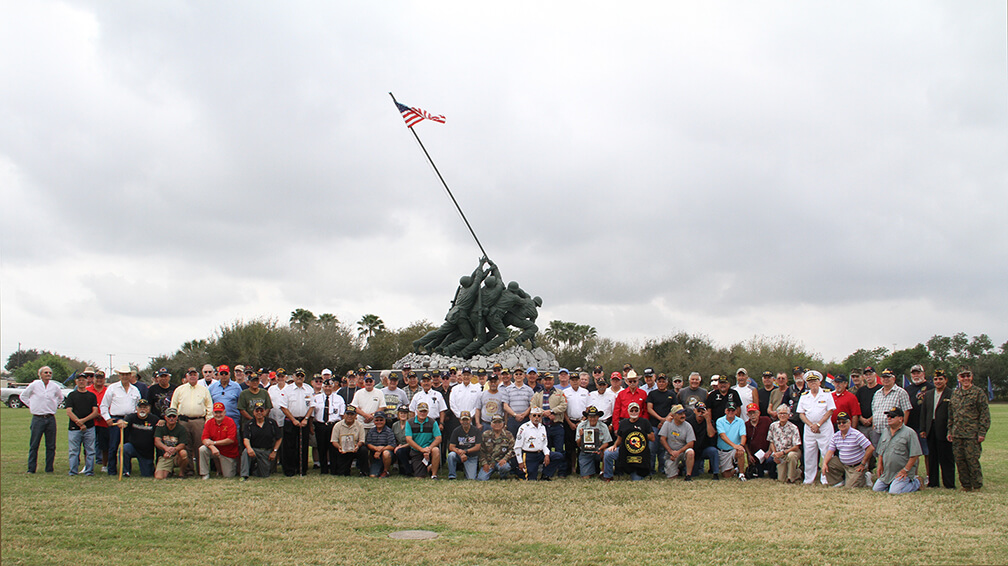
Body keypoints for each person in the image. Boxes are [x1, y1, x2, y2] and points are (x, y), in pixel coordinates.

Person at [948, 367, 990, 492]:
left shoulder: (978, 393)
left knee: (972, 460)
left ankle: (976, 485)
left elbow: (984, 414)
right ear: (958, 378)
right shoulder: (955, 393)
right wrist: (950, 431)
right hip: (957, 433)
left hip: (972, 434)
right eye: (963, 376)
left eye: (968, 376)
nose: (965, 378)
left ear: (971, 377)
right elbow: (951, 414)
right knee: (960, 460)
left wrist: (982, 432)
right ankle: (965, 485)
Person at [22, 365, 66, 474]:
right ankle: (31, 469)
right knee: (34, 444)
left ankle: (49, 468)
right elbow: (23, 396)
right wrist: (32, 406)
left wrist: (53, 405)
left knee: (51, 445)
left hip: (50, 418)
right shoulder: (34, 385)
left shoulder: (54, 386)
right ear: (40, 374)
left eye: (50, 373)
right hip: (38, 418)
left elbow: (60, 398)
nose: (48, 374)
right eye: (46, 372)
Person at [169, 367, 214, 472]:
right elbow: (173, 406)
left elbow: (209, 407)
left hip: (199, 421)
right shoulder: (179, 390)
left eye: (194, 375)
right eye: (190, 375)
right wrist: (174, 421)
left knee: (199, 446)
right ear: (187, 377)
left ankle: (201, 470)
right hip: (183, 421)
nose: (192, 377)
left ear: (198, 377)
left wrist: (207, 422)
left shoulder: (204, 390)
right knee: (185, 446)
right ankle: (188, 470)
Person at [100, 365, 143, 476]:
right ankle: (112, 471)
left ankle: (126, 470)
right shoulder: (112, 388)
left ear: (130, 375)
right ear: (119, 375)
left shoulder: (135, 390)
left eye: (127, 374)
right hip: (116, 420)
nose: (125, 376)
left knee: (127, 447)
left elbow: (138, 407)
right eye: (122, 374)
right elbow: (103, 406)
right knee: (113, 446)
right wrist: (108, 419)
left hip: (130, 420)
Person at [797, 370, 835, 484]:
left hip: (824, 428)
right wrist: (811, 425)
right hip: (809, 429)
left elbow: (830, 411)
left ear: (819, 382)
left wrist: (818, 424)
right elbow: (801, 413)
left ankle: (826, 478)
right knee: (809, 454)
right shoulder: (804, 396)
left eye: (815, 381)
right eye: (810, 382)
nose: (813, 383)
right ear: (807, 384)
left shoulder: (827, 394)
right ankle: (808, 479)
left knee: (826, 453)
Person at [873, 408, 922, 494]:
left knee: (895, 492)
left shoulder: (910, 433)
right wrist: (880, 465)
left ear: (900, 419)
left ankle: (916, 483)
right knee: (876, 489)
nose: (889, 418)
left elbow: (915, 455)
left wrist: (905, 470)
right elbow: (881, 451)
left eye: (892, 416)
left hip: (902, 473)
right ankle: (893, 484)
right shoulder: (885, 431)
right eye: (888, 416)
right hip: (887, 473)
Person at [920, 369, 955, 488]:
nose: (938, 381)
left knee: (946, 457)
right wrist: (923, 429)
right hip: (931, 429)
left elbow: (953, 414)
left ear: (946, 380)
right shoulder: (929, 394)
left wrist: (951, 430)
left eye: (941, 379)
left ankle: (949, 483)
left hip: (944, 429)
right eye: (936, 379)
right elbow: (924, 413)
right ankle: (933, 482)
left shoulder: (951, 394)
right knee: (932, 457)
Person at [821, 412, 874, 488]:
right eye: (839, 423)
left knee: (850, 487)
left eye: (844, 422)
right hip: (843, 464)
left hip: (856, 465)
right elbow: (830, 451)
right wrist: (824, 464)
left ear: (849, 422)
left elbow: (870, 448)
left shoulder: (856, 434)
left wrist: (863, 464)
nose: (841, 424)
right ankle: (838, 482)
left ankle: (865, 476)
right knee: (829, 462)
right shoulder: (836, 436)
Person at [603, 402, 654, 481]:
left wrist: (640, 433)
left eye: (636, 410)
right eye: (632, 410)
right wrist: (615, 446)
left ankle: (637, 472)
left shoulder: (645, 422)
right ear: (628, 411)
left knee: (636, 480)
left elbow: (652, 438)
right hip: (625, 451)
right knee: (608, 453)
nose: (634, 412)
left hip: (639, 453)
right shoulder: (623, 423)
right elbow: (619, 438)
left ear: (639, 411)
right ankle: (608, 476)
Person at [531, 371, 568, 475]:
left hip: (556, 426)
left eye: (549, 380)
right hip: (543, 427)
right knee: (545, 450)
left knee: (560, 449)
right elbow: (533, 406)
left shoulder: (559, 393)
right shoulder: (538, 394)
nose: (547, 382)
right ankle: (548, 471)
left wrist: (552, 411)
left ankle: (561, 472)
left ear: (553, 381)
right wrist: (544, 413)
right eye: (546, 380)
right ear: (543, 381)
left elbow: (564, 405)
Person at [279, 368, 315, 476]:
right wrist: (293, 420)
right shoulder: (287, 389)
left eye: (302, 376)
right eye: (297, 375)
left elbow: (312, 406)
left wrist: (306, 419)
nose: (299, 378)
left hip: (303, 421)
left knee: (303, 446)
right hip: (291, 421)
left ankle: (302, 470)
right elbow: (283, 407)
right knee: (289, 446)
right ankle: (289, 470)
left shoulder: (309, 389)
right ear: (293, 377)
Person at [65, 371, 99, 476]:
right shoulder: (71, 395)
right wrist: (79, 423)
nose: (81, 382)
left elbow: (95, 412)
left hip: (89, 427)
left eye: (83, 380)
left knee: (90, 451)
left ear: (86, 381)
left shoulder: (92, 396)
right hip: (74, 428)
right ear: (76, 382)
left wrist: (83, 421)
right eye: (79, 380)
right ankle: (73, 471)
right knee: (74, 451)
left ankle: (89, 471)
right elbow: (69, 411)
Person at [515, 407, 560, 481]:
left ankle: (545, 475)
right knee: (531, 479)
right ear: (530, 417)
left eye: (539, 416)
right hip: (529, 456)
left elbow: (544, 444)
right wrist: (520, 462)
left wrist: (547, 455)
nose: (536, 418)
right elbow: (517, 447)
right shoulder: (523, 428)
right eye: (534, 415)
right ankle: (521, 472)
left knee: (557, 456)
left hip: (540, 454)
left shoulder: (542, 427)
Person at [870, 370, 912, 447]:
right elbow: (874, 411)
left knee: (892, 454)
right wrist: (873, 426)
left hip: (892, 431)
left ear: (893, 378)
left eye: (888, 377)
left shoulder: (901, 392)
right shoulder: (877, 393)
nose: (886, 379)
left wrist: (901, 429)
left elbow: (906, 411)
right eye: (884, 377)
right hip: (877, 431)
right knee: (878, 454)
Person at [241, 401, 282, 479]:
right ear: (253, 412)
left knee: (264, 475)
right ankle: (244, 475)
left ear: (265, 412)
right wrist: (249, 448)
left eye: (261, 410)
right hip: (254, 450)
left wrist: (274, 451)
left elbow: (279, 438)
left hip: (266, 451)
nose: (259, 413)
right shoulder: (249, 424)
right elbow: (246, 438)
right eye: (257, 411)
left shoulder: (271, 423)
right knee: (245, 452)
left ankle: (255, 470)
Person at [646, 373, 678, 473]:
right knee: (651, 449)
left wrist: (665, 420)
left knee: (663, 449)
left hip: (667, 426)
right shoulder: (652, 394)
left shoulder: (672, 394)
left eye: (663, 381)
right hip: (654, 425)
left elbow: (674, 409)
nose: (661, 383)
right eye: (659, 381)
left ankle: (662, 469)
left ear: (667, 383)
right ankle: (650, 469)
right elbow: (649, 408)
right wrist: (660, 419)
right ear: (657, 382)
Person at [313, 378, 344, 475]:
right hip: (320, 425)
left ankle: (334, 469)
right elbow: (312, 414)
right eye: (325, 386)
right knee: (321, 448)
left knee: (333, 448)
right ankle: (323, 469)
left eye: (329, 386)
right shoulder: (316, 398)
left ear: (333, 387)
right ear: (323, 387)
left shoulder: (339, 398)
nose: (327, 388)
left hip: (333, 425)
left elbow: (342, 415)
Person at [199, 402, 239, 479]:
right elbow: (204, 438)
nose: (218, 415)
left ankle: (221, 469)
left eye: (220, 412)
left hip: (228, 452)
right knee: (202, 449)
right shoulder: (209, 423)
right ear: (213, 413)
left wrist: (214, 443)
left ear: (224, 412)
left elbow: (231, 440)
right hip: (214, 450)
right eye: (216, 412)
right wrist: (212, 447)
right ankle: (205, 474)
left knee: (228, 476)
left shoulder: (230, 422)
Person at [120, 399, 158, 477]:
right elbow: (124, 421)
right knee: (124, 449)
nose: (142, 410)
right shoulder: (131, 417)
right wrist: (122, 422)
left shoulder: (154, 419)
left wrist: (162, 421)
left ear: (149, 409)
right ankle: (126, 471)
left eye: (145, 408)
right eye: (140, 407)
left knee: (147, 475)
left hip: (146, 452)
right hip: (133, 447)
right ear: (136, 408)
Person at [562, 372, 590, 473]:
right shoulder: (565, 392)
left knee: (582, 446)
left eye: (576, 380)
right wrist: (569, 423)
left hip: (582, 421)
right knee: (570, 447)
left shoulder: (585, 392)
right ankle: (571, 467)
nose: (575, 382)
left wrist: (582, 421)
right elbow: (564, 409)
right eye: (573, 380)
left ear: (579, 381)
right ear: (570, 381)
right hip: (570, 422)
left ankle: (580, 468)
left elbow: (588, 408)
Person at [405, 403, 442, 479]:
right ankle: (429, 467)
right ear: (416, 411)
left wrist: (428, 449)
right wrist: (421, 450)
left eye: (424, 411)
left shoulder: (433, 422)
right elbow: (408, 439)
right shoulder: (409, 422)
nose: (422, 413)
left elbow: (438, 438)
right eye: (421, 411)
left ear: (428, 412)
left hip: (429, 450)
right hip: (417, 451)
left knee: (436, 450)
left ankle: (434, 475)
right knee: (420, 476)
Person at [767, 404, 802, 483]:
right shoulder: (773, 426)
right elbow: (771, 441)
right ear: (778, 415)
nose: (782, 415)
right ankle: (796, 472)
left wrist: (783, 452)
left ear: (789, 415)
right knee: (781, 479)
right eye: (780, 413)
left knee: (791, 456)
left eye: (785, 413)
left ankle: (791, 478)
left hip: (791, 451)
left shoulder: (794, 427)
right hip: (779, 453)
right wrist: (775, 454)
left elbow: (796, 447)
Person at [658, 405, 695, 480]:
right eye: (680, 414)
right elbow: (662, 439)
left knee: (690, 452)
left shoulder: (688, 426)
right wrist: (670, 451)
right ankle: (678, 468)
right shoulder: (667, 424)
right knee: (672, 478)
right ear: (673, 415)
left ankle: (688, 475)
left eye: (684, 414)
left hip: (682, 451)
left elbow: (691, 443)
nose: (683, 416)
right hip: (671, 453)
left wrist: (678, 452)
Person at [153, 408, 191, 479]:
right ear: (165, 417)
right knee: (159, 477)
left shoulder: (181, 428)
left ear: (177, 417)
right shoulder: (161, 427)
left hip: (176, 455)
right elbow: (157, 441)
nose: (171, 418)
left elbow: (182, 444)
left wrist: (174, 449)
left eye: (174, 416)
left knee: (183, 453)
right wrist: (166, 449)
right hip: (165, 456)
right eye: (169, 416)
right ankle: (170, 471)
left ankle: (181, 473)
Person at [575, 406, 612, 477]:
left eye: (595, 417)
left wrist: (599, 448)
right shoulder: (581, 426)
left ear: (598, 417)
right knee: (586, 477)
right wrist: (581, 436)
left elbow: (606, 443)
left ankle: (603, 472)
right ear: (587, 417)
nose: (592, 419)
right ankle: (590, 470)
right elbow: (578, 444)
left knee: (606, 452)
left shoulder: (603, 426)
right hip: (585, 452)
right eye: (590, 417)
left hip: (599, 450)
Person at [331, 406, 368, 476]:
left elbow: (362, 441)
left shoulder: (360, 425)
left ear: (356, 416)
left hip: (355, 449)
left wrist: (357, 446)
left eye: (352, 414)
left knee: (363, 450)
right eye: (348, 414)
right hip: (342, 450)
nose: (349, 416)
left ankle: (363, 471)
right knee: (341, 473)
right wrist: (339, 447)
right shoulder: (338, 425)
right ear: (344, 415)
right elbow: (334, 441)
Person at [715, 402, 747, 481]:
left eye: (733, 410)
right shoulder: (720, 421)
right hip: (723, 451)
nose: (730, 412)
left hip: (734, 450)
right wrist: (734, 445)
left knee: (740, 451)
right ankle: (736, 469)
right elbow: (722, 436)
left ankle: (741, 474)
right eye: (728, 410)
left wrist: (741, 446)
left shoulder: (740, 421)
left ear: (736, 411)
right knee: (726, 476)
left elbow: (743, 435)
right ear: (725, 411)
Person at [687, 402, 720, 479]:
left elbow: (711, 434)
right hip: (693, 451)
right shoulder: (688, 421)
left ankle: (715, 473)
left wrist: (708, 420)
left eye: (703, 412)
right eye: (698, 411)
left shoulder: (709, 422)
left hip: (704, 449)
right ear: (694, 411)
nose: (700, 414)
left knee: (713, 451)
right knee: (694, 474)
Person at [446, 411, 482, 480]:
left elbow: (478, 447)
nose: (465, 422)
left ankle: (466, 471)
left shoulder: (476, 431)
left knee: (471, 478)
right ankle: (452, 476)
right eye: (463, 420)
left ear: (470, 420)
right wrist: (459, 452)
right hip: (459, 455)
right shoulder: (456, 431)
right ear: (460, 420)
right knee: (451, 455)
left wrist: (465, 451)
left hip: (472, 456)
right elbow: (451, 446)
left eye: (467, 420)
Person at [478, 414, 515, 480]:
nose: (497, 424)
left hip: (501, 462)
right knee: (481, 479)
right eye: (495, 422)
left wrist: (505, 459)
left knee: (505, 467)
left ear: (503, 424)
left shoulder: (508, 435)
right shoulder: (485, 434)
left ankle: (503, 476)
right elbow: (481, 451)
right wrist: (484, 463)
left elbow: (513, 449)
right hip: (489, 463)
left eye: (499, 422)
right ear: (491, 424)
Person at [86, 371, 111, 471]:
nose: (99, 380)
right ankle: (88, 465)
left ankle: (104, 465)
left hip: (104, 422)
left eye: (101, 378)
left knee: (105, 445)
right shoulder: (88, 390)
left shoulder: (108, 391)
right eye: (97, 378)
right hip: (91, 421)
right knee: (88, 444)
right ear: (93, 379)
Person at [744, 403, 774, 479]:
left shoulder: (766, 421)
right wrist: (749, 455)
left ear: (759, 413)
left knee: (771, 463)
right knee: (759, 474)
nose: (753, 415)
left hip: (767, 452)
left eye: (754, 413)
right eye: (750, 413)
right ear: (747, 414)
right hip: (755, 456)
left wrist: (770, 451)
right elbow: (745, 443)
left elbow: (772, 437)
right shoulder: (746, 425)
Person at [365, 412, 397, 477]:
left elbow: (392, 445)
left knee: (386, 453)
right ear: (374, 421)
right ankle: (375, 469)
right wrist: (376, 449)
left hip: (387, 455)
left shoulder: (389, 431)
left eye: (381, 420)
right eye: (377, 420)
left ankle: (386, 471)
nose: (379, 422)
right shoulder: (371, 431)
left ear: (385, 421)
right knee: (372, 476)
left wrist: (380, 450)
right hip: (376, 456)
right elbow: (368, 444)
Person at [392, 405, 413, 476]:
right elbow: (393, 438)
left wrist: (401, 447)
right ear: (398, 414)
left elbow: (413, 441)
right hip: (398, 446)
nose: (403, 415)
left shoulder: (411, 424)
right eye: (401, 413)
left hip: (410, 446)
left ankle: (408, 471)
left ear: (408, 415)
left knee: (400, 451)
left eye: (405, 413)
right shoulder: (395, 425)